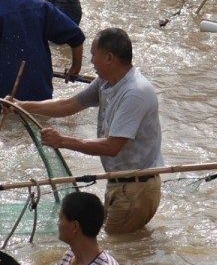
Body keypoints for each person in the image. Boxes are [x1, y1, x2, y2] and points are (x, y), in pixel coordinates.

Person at [11, 28, 164, 234]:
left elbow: (112, 146)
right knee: (128, 247)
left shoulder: (134, 93)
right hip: (120, 183)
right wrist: (22, 105)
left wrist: (63, 141)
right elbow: (68, 105)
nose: (90, 61)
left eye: (93, 54)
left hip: (137, 187)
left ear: (109, 58)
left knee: (117, 247)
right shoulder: (105, 81)